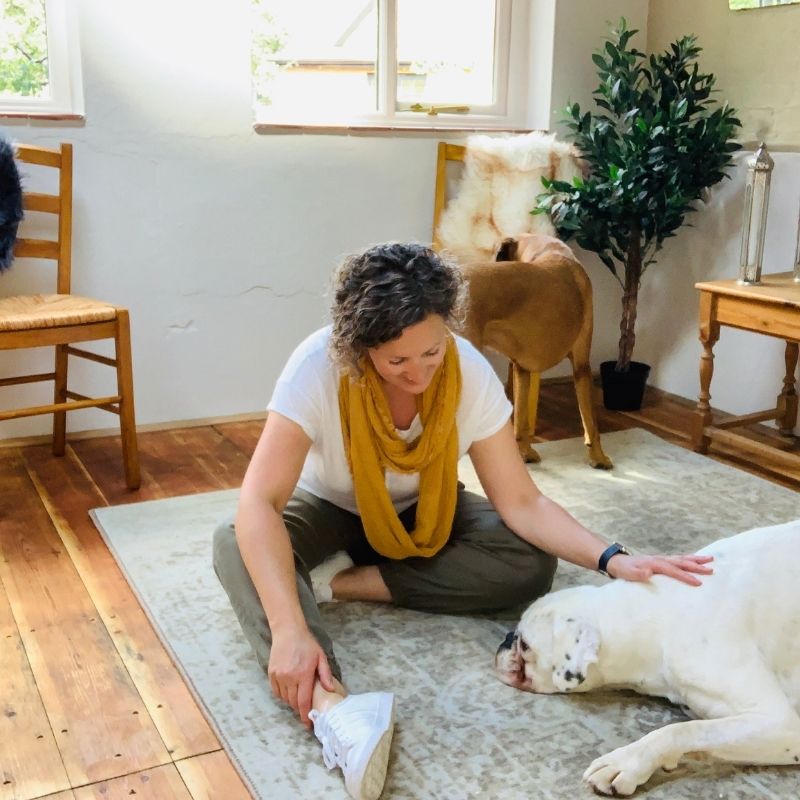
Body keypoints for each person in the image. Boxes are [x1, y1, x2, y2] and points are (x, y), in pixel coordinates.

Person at [213, 242, 713, 800]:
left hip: (426, 507)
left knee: (527, 558)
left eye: (430, 352)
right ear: (359, 348)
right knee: (236, 541)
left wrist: (614, 558)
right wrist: (288, 630)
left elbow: (522, 503)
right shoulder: (316, 365)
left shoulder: (466, 371)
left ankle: (336, 582)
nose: (419, 372)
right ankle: (337, 710)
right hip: (330, 504)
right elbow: (258, 502)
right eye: (397, 361)